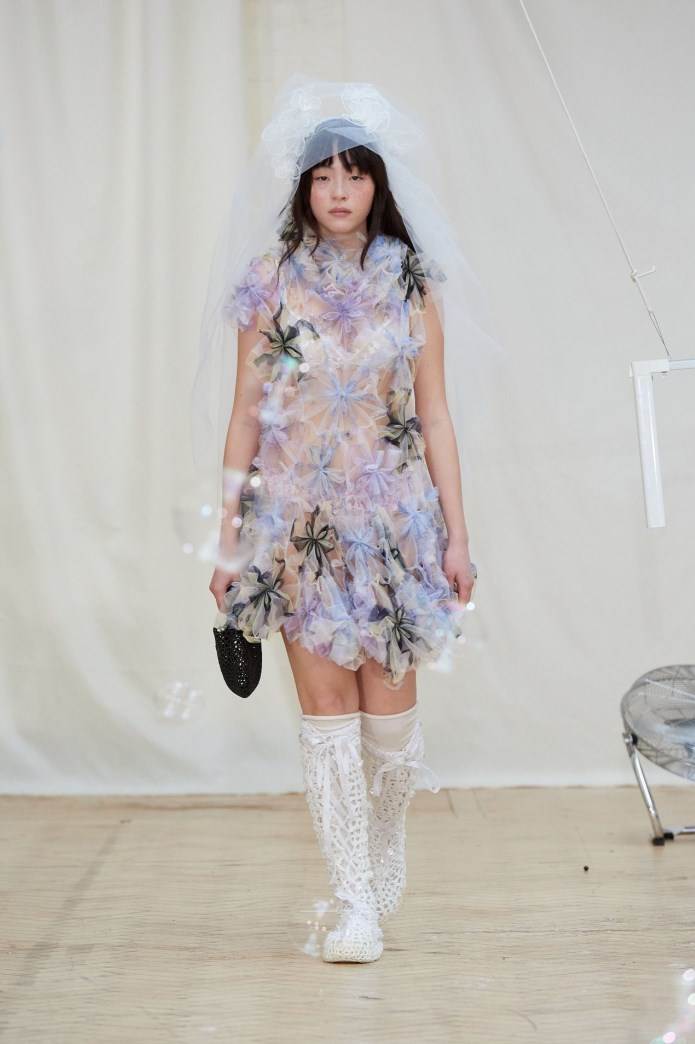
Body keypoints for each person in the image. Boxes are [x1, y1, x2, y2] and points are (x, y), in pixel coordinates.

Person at [191, 78, 498, 964]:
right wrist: (227, 540)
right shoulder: (268, 285)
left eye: (353, 174)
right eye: (322, 174)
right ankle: (355, 902)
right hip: (296, 530)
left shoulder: (411, 282)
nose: (337, 190)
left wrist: (457, 537)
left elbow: (434, 416)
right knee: (326, 720)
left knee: (390, 736)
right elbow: (244, 418)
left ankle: (383, 846)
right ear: (301, 186)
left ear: (376, 184)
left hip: (394, 526)